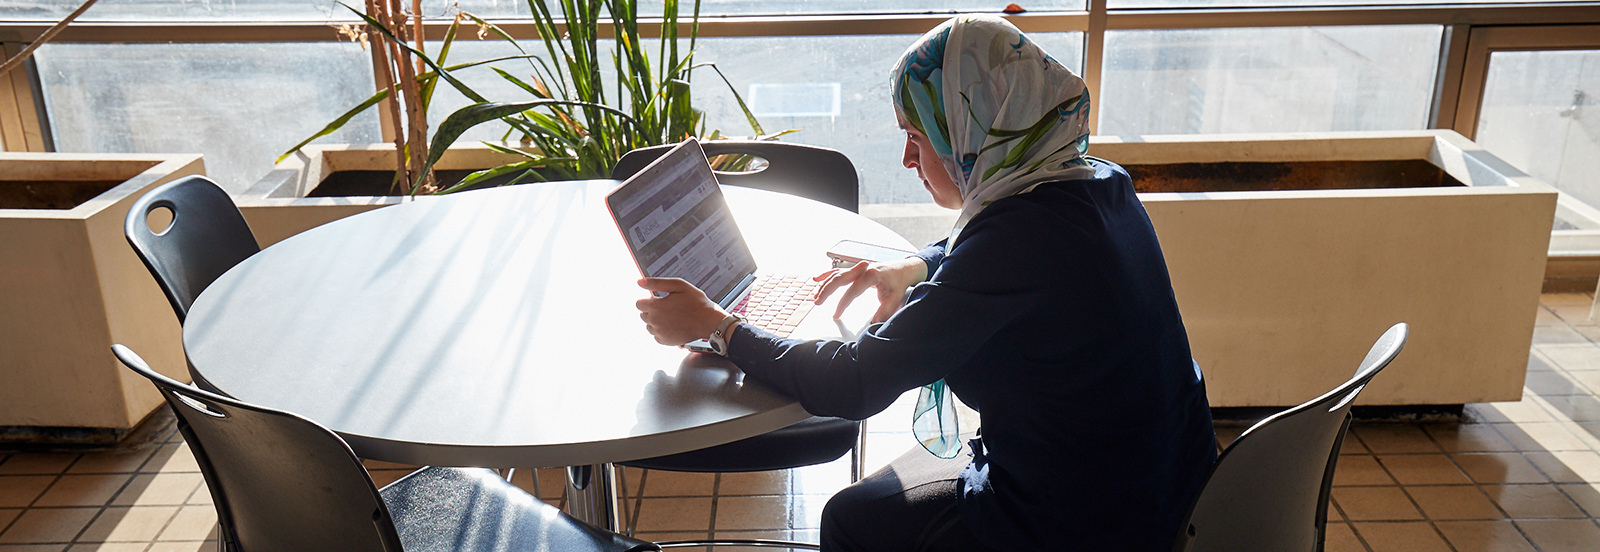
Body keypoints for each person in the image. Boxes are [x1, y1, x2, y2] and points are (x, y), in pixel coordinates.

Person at [635, 14, 1216, 552]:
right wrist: (919, 264)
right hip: (1165, 482)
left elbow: (855, 382)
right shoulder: (1091, 180)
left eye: (919, 136)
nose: (910, 160)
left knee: (848, 521)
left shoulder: (1019, 242)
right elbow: (986, 254)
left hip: (1087, 520)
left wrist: (719, 328)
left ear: (971, 127)